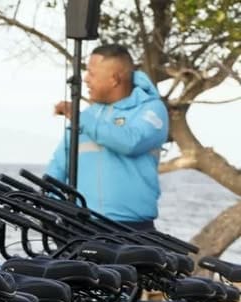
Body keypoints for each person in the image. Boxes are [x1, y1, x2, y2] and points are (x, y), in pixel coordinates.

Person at [45, 43, 169, 229]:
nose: (86, 79)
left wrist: (78, 117)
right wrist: (48, 206)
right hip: (82, 226)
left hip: (132, 229)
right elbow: (58, 166)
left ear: (114, 79)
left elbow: (131, 142)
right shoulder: (88, 115)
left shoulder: (152, 110)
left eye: (92, 73)